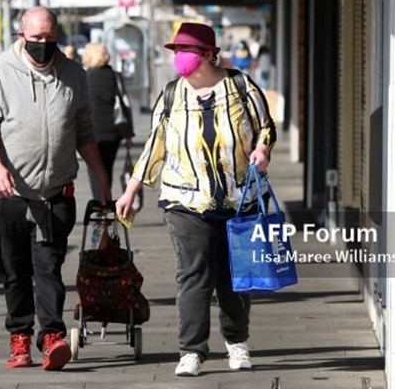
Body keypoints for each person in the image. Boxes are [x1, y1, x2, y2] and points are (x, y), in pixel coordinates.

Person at [114, 22, 276, 377]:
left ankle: (237, 343)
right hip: (185, 200)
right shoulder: (172, 94)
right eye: (176, 52)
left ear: (208, 55)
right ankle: (191, 351)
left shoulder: (240, 86)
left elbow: (266, 126)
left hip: (240, 199)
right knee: (194, 275)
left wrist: (263, 148)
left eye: (186, 51)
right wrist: (131, 188)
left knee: (235, 276)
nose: (180, 58)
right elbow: (155, 144)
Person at [0, 6, 111, 371]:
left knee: (49, 266)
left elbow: (84, 130)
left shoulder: (73, 75)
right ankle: (19, 336)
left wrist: (101, 177)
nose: (43, 46)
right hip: (12, 192)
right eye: (36, 40)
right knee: (16, 270)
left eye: (50, 39)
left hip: (56, 191)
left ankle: (52, 336)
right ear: (22, 36)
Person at [82, 42, 133, 201]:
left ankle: (100, 205)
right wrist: (128, 134)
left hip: (90, 132)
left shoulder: (84, 78)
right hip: (113, 132)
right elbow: (125, 104)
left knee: (94, 169)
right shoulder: (115, 76)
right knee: (107, 167)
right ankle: (105, 203)